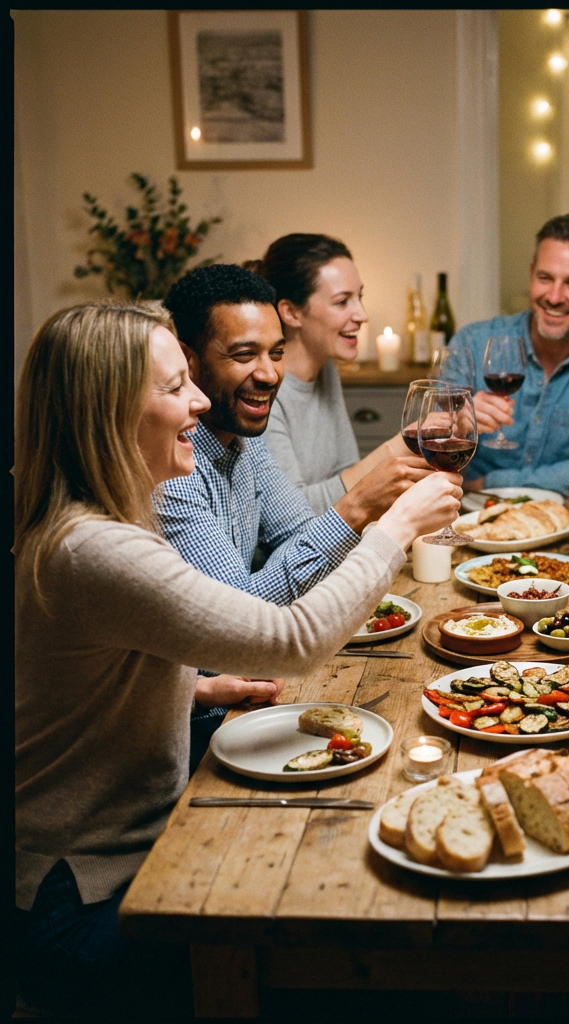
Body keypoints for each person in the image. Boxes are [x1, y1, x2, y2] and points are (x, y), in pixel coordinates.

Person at [13, 302, 461, 1019]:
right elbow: (292, 640)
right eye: (173, 387)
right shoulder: (93, 547)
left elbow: (74, 679)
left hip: (137, 846)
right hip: (81, 899)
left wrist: (191, 688)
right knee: (341, 951)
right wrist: (394, 527)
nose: (198, 401)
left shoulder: (103, 522)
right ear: (108, 413)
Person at [157, 264, 456, 757]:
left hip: (254, 694)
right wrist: (359, 509)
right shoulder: (172, 468)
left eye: (276, 353)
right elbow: (244, 623)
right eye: (244, 355)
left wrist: (352, 517)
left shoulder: (244, 440)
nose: (269, 374)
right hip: (200, 733)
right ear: (188, 360)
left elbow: (301, 532)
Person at [445, 213, 569, 494]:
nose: (554, 297)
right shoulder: (472, 343)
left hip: (565, 514)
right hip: (469, 511)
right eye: (545, 278)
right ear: (531, 275)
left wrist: (495, 483)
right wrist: (458, 425)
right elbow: (427, 451)